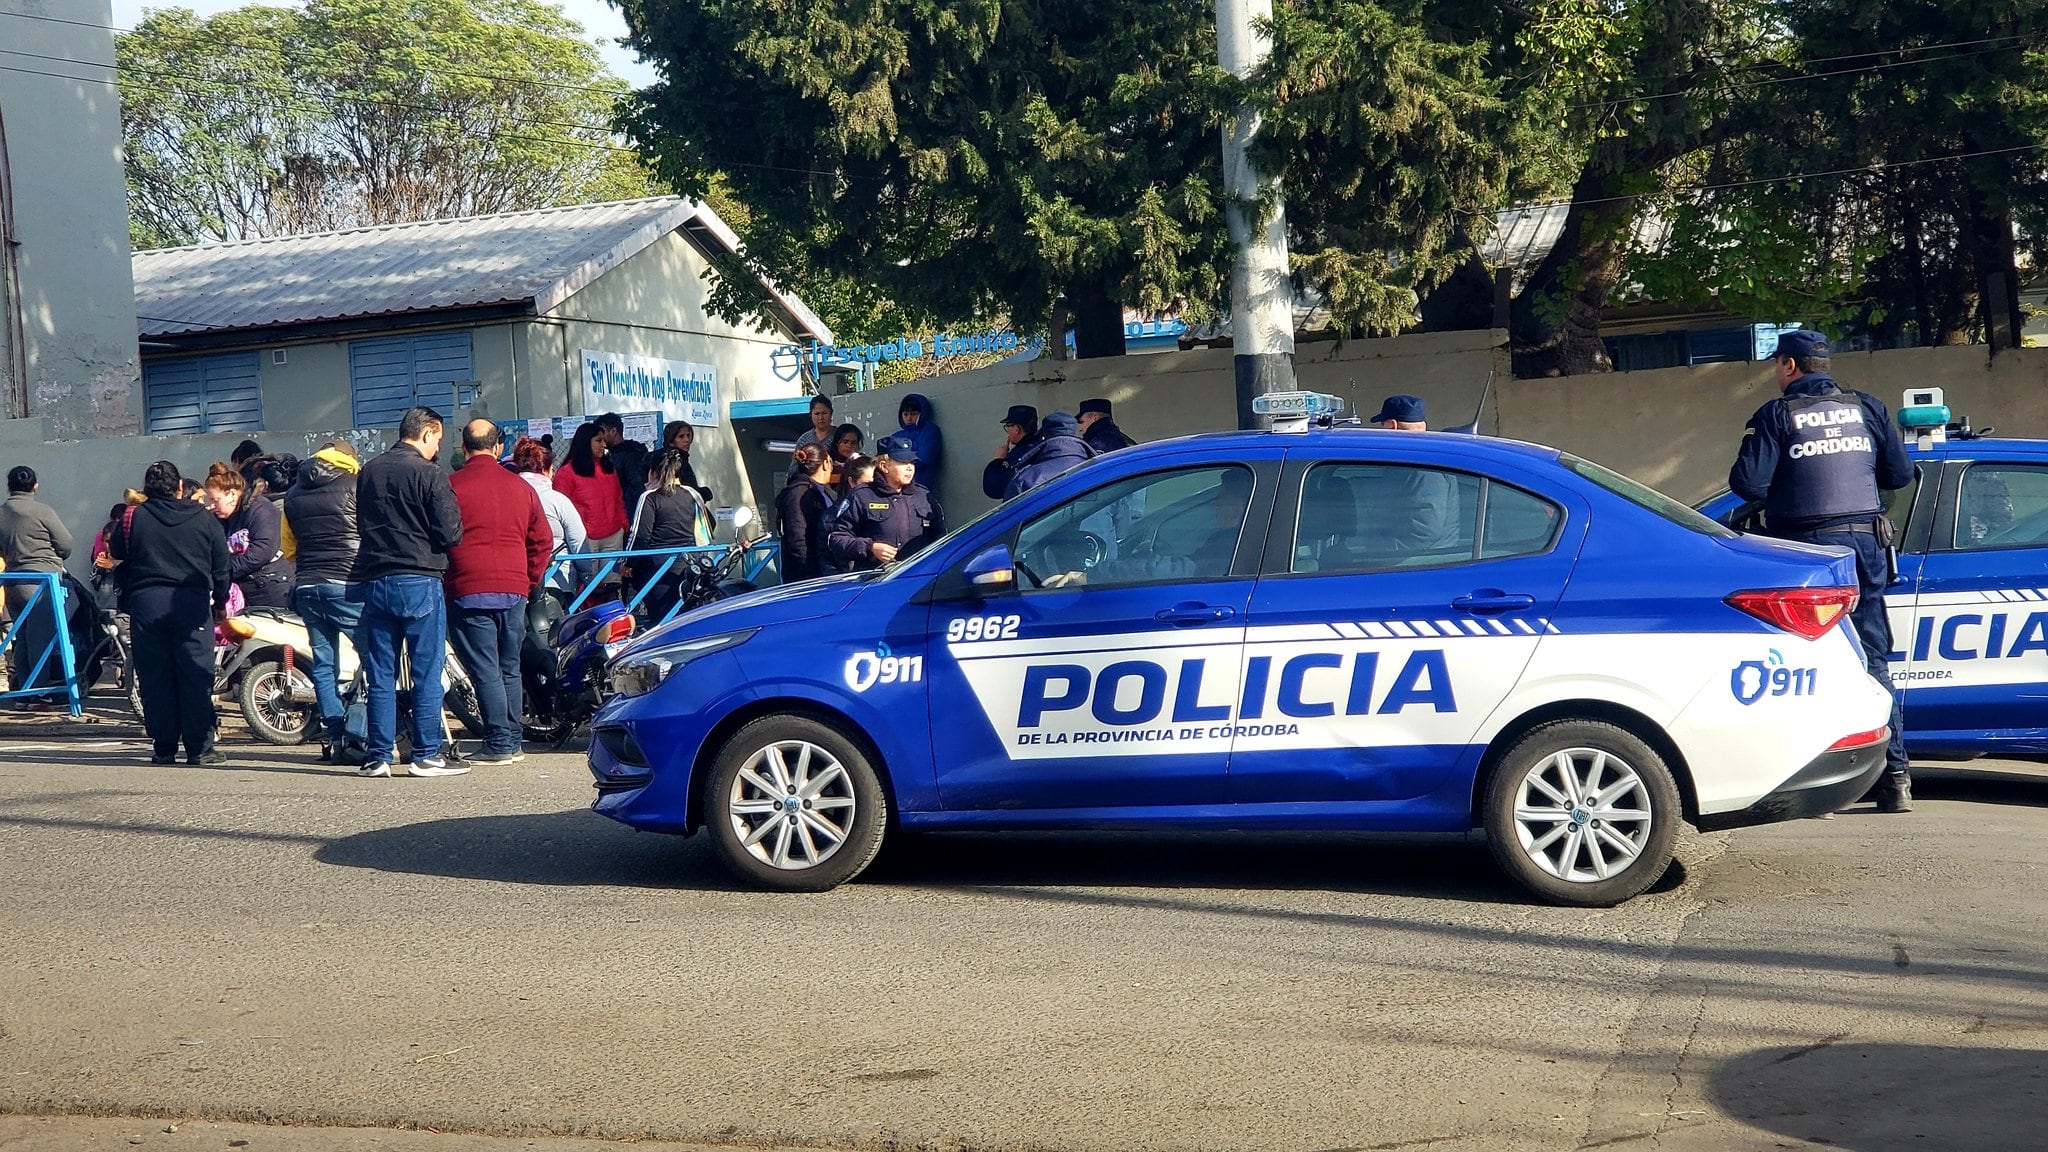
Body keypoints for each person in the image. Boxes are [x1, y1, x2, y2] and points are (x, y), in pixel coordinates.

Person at [1730, 329, 1916, 812]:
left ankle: (1826, 782)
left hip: (1808, 556)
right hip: (1866, 545)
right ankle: (1896, 778)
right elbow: (1899, 475)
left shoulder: (1777, 414)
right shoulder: (1868, 407)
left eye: (1777, 365)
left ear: (1789, 366)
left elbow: (1747, 483)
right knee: (1873, 659)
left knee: (1810, 663)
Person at [355, 406, 466, 779]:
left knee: (381, 674)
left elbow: (362, 522)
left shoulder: (369, 471)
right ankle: (425, 753)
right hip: (420, 576)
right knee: (426, 671)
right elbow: (450, 532)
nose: (437, 447)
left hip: (376, 578)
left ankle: (379, 755)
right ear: (426, 433)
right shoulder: (430, 473)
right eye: (437, 439)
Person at [110, 461, 229, 765]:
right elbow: (221, 567)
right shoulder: (204, 519)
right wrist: (221, 603)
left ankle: (164, 747)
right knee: (195, 674)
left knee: (155, 676)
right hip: (191, 605)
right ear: (179, 488)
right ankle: (200, 748)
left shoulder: (132, 517)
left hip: (147, 604)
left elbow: (118, 551)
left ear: (146, 489)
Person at [446, 420, 550, 765]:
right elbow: (542, 540)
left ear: (463, 448)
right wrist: (530, 578)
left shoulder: (451, 486)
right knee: (508, 666)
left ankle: (499, 742)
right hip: (514, 588)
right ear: (498, 447)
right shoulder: (522, 488)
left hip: (468, 587)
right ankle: (513, 741)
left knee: (485, 668)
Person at [281, 440, 364, 761]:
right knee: (375, 658)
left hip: (308, 585)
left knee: (324, 665)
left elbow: (289, 548)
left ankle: (336, 735)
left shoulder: (292, 494)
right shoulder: (356, 485)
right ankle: (369, 731)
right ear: (349, 461)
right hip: (349, 584)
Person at [0, 466, 74, 698]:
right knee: (40, 639)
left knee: (21, 639)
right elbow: (66, 544)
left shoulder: (1, 513)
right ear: (35, 486)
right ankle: (40, 695)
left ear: (9, 486)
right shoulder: (43, 511)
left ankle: (23, 694)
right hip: (43, 580)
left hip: (13, 580)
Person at [829, 435, 945, 572]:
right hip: (875, 579)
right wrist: (870, 547)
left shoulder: (924, 496)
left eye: (912, 463)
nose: (909, 468)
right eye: (903, 462)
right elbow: (836, 538)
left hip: (918, 578)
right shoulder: (862, 495)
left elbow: (940, 539)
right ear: (884, 466)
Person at [1363, 394, 1459, 555]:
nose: (1381, 430)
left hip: (1418, 565)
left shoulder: (1423, 467)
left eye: (1382, 424)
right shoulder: (1419, 458)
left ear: (1392, 425)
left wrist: (1377, 552)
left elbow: (1424, 530)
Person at [625, 447, 713, 621]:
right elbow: (705, 530)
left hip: (658, 569)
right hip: (690, 567)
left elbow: (640, 536)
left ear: (652, 472)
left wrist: (628, 563)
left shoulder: (649, 497)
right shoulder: (693, 494)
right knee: (687, 618)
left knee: (660, 621)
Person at [205, 462, 293, 609]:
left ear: (232, 494)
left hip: (271, 586)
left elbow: (262, 551)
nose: (212, 505)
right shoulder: (220, 518)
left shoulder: (261, 510)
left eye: (216, 500)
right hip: (240, 590)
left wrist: (223, 569)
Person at [510, 437, 587, 589]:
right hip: (557, 580)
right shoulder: (557, 500)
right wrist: (587, 575)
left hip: (515, 580)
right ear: (546, 469)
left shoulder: (507, 496)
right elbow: (578, 541)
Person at [553, 422, 628, 560]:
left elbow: (618, 499)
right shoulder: (566, 473)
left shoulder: (608, 468)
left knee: (613, 580)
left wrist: (623, 524)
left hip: (613, 535)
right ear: (585, 443)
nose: (604, 445)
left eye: (604, 440)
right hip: (585, 539)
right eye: (598, 441)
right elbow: (560, 508)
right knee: (590, 580)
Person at [777, 443, 838, 583]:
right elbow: (797, 538)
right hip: (808, 574)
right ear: (825, 463)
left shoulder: (827, 491)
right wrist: (811, 574)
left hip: (828, 569)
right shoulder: (798, 493)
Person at [1002, 411, 1095, 499]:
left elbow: (1008, 514)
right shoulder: (1098, 469)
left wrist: (998, 462)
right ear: (1076, 434)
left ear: (1043, 437)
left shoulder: (1025, 478)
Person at [981, 405, 1041, 499]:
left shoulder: (1019, 456)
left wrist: (998, 461)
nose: (1007, 431)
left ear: (1017, 429)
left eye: (1008, 426)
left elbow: (994, 489)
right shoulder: (1040, 445)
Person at [895, 393, 943, 487]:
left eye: (914, 414)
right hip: (897, 486)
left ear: (922, 414)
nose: (909, 418)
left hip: (920, 485)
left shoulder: (930, 431)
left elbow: (924, 458)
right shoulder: (897, 435)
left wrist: (899, 461)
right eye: (905, 414)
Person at [787, 395, 836, 481]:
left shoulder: (839, 435)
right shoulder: (804, 440)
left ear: (831, 413)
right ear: (811, 415)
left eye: (824, 413)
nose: (821, 418)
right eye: (817, 414)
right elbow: (793, 469)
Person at [661, 421, 712, 500]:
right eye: (681, 436)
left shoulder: (682, 458)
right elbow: (683, 490)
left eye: (688, 435)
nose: (687, 440)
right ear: (671, 440)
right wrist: (704, 493)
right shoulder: (671, 460)